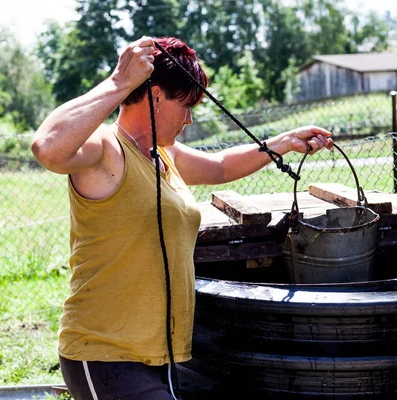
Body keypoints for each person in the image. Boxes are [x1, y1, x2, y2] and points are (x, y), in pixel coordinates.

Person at [31, 36, 333, 400]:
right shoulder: (105, 150)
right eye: (185, 105)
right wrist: (119, 81)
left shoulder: (164, 154)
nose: (189, 119)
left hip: (159, 354)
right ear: (155, 96)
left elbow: (221, 166)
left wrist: (284, 141)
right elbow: (47, 147)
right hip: (104, 354)